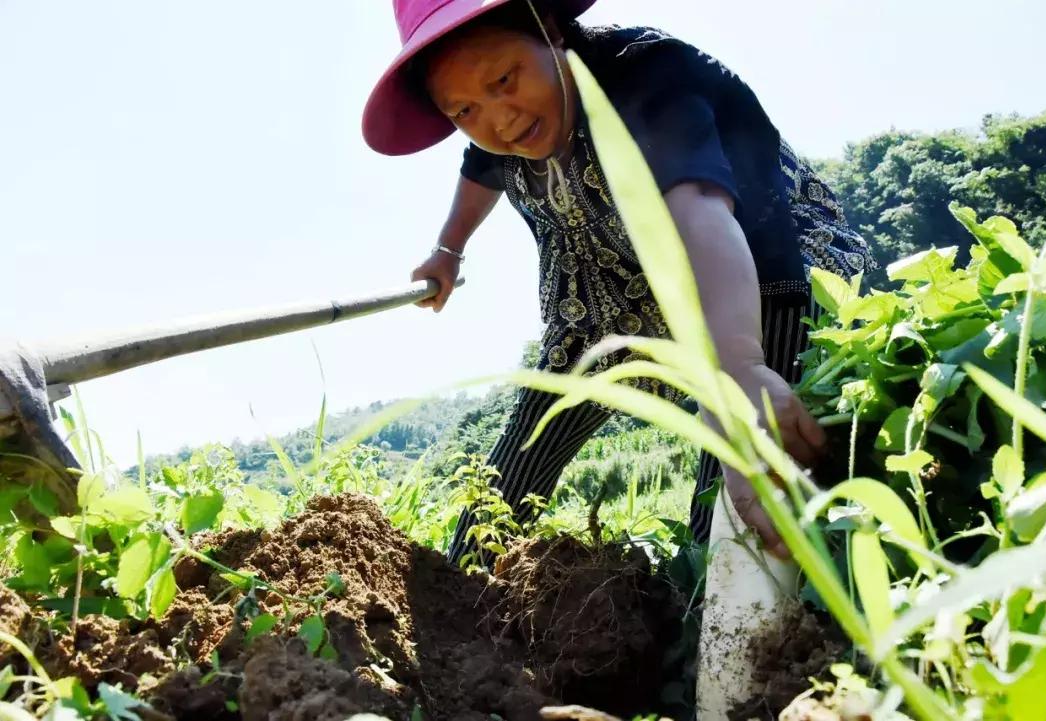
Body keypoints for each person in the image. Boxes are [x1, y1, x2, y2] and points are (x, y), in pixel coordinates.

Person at [362, 0, 876, 565]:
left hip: (749, 267)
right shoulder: (500, 130)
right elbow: (479, 168)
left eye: (505, 80)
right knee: (524, 451)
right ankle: (455, 599)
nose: (498, 119)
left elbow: (700, 212)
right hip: (601, 289)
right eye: (463, 109)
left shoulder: (646, 78)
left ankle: (755, 606)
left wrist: (738, 368)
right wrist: (448, 250)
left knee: (741, 474)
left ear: (549, 27)